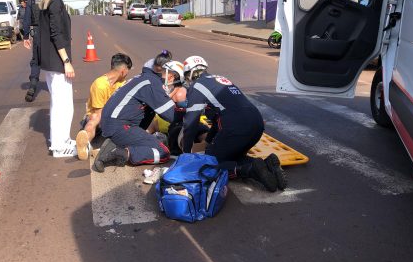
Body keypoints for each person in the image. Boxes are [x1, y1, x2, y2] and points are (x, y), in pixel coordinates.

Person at [180, 56, 287, 192]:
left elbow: (190, 124)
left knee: (211, 163)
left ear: (189, 74)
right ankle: (267, 165)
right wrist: (208, 141)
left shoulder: (197, 86)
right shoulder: (219, 79)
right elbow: (216, 120)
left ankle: (250, 170)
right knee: (232, 156)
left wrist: (186, 153)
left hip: (237, 126)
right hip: (256, 123)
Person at [93, 61, 185, 172]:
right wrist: (192, 116)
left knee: (150, 111)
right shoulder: (152, 83)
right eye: (175, 81)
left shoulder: (143, 78)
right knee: (163, 152)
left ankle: (116, 142)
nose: (172, 84)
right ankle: (119, 153)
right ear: (171, 76)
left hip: (112, 122)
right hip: (120, 126)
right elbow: (171, 115)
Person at [38, 0, 76, 158]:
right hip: (57, 61)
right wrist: (66, 61)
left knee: (61, 104)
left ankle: (63, 139)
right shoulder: (55, 2)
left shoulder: (49, 1)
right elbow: (56, 34)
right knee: (63, 105)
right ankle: (59, 146)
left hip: (51, 61)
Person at [75, 53, 133, 160]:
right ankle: (85, 141)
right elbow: (99, 112)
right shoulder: (99, 84)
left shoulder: (123, 84)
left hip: (112, 119)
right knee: (95, 117)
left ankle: (100, 147)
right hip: (98, 119)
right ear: (124, 71)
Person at [23, 0, 43, 102]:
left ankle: (32, 86)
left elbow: (26, 20)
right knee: (56, 61)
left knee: (36, 61)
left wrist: (26, 36)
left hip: (37, 33)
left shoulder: (32, 0)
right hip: (51, 33)